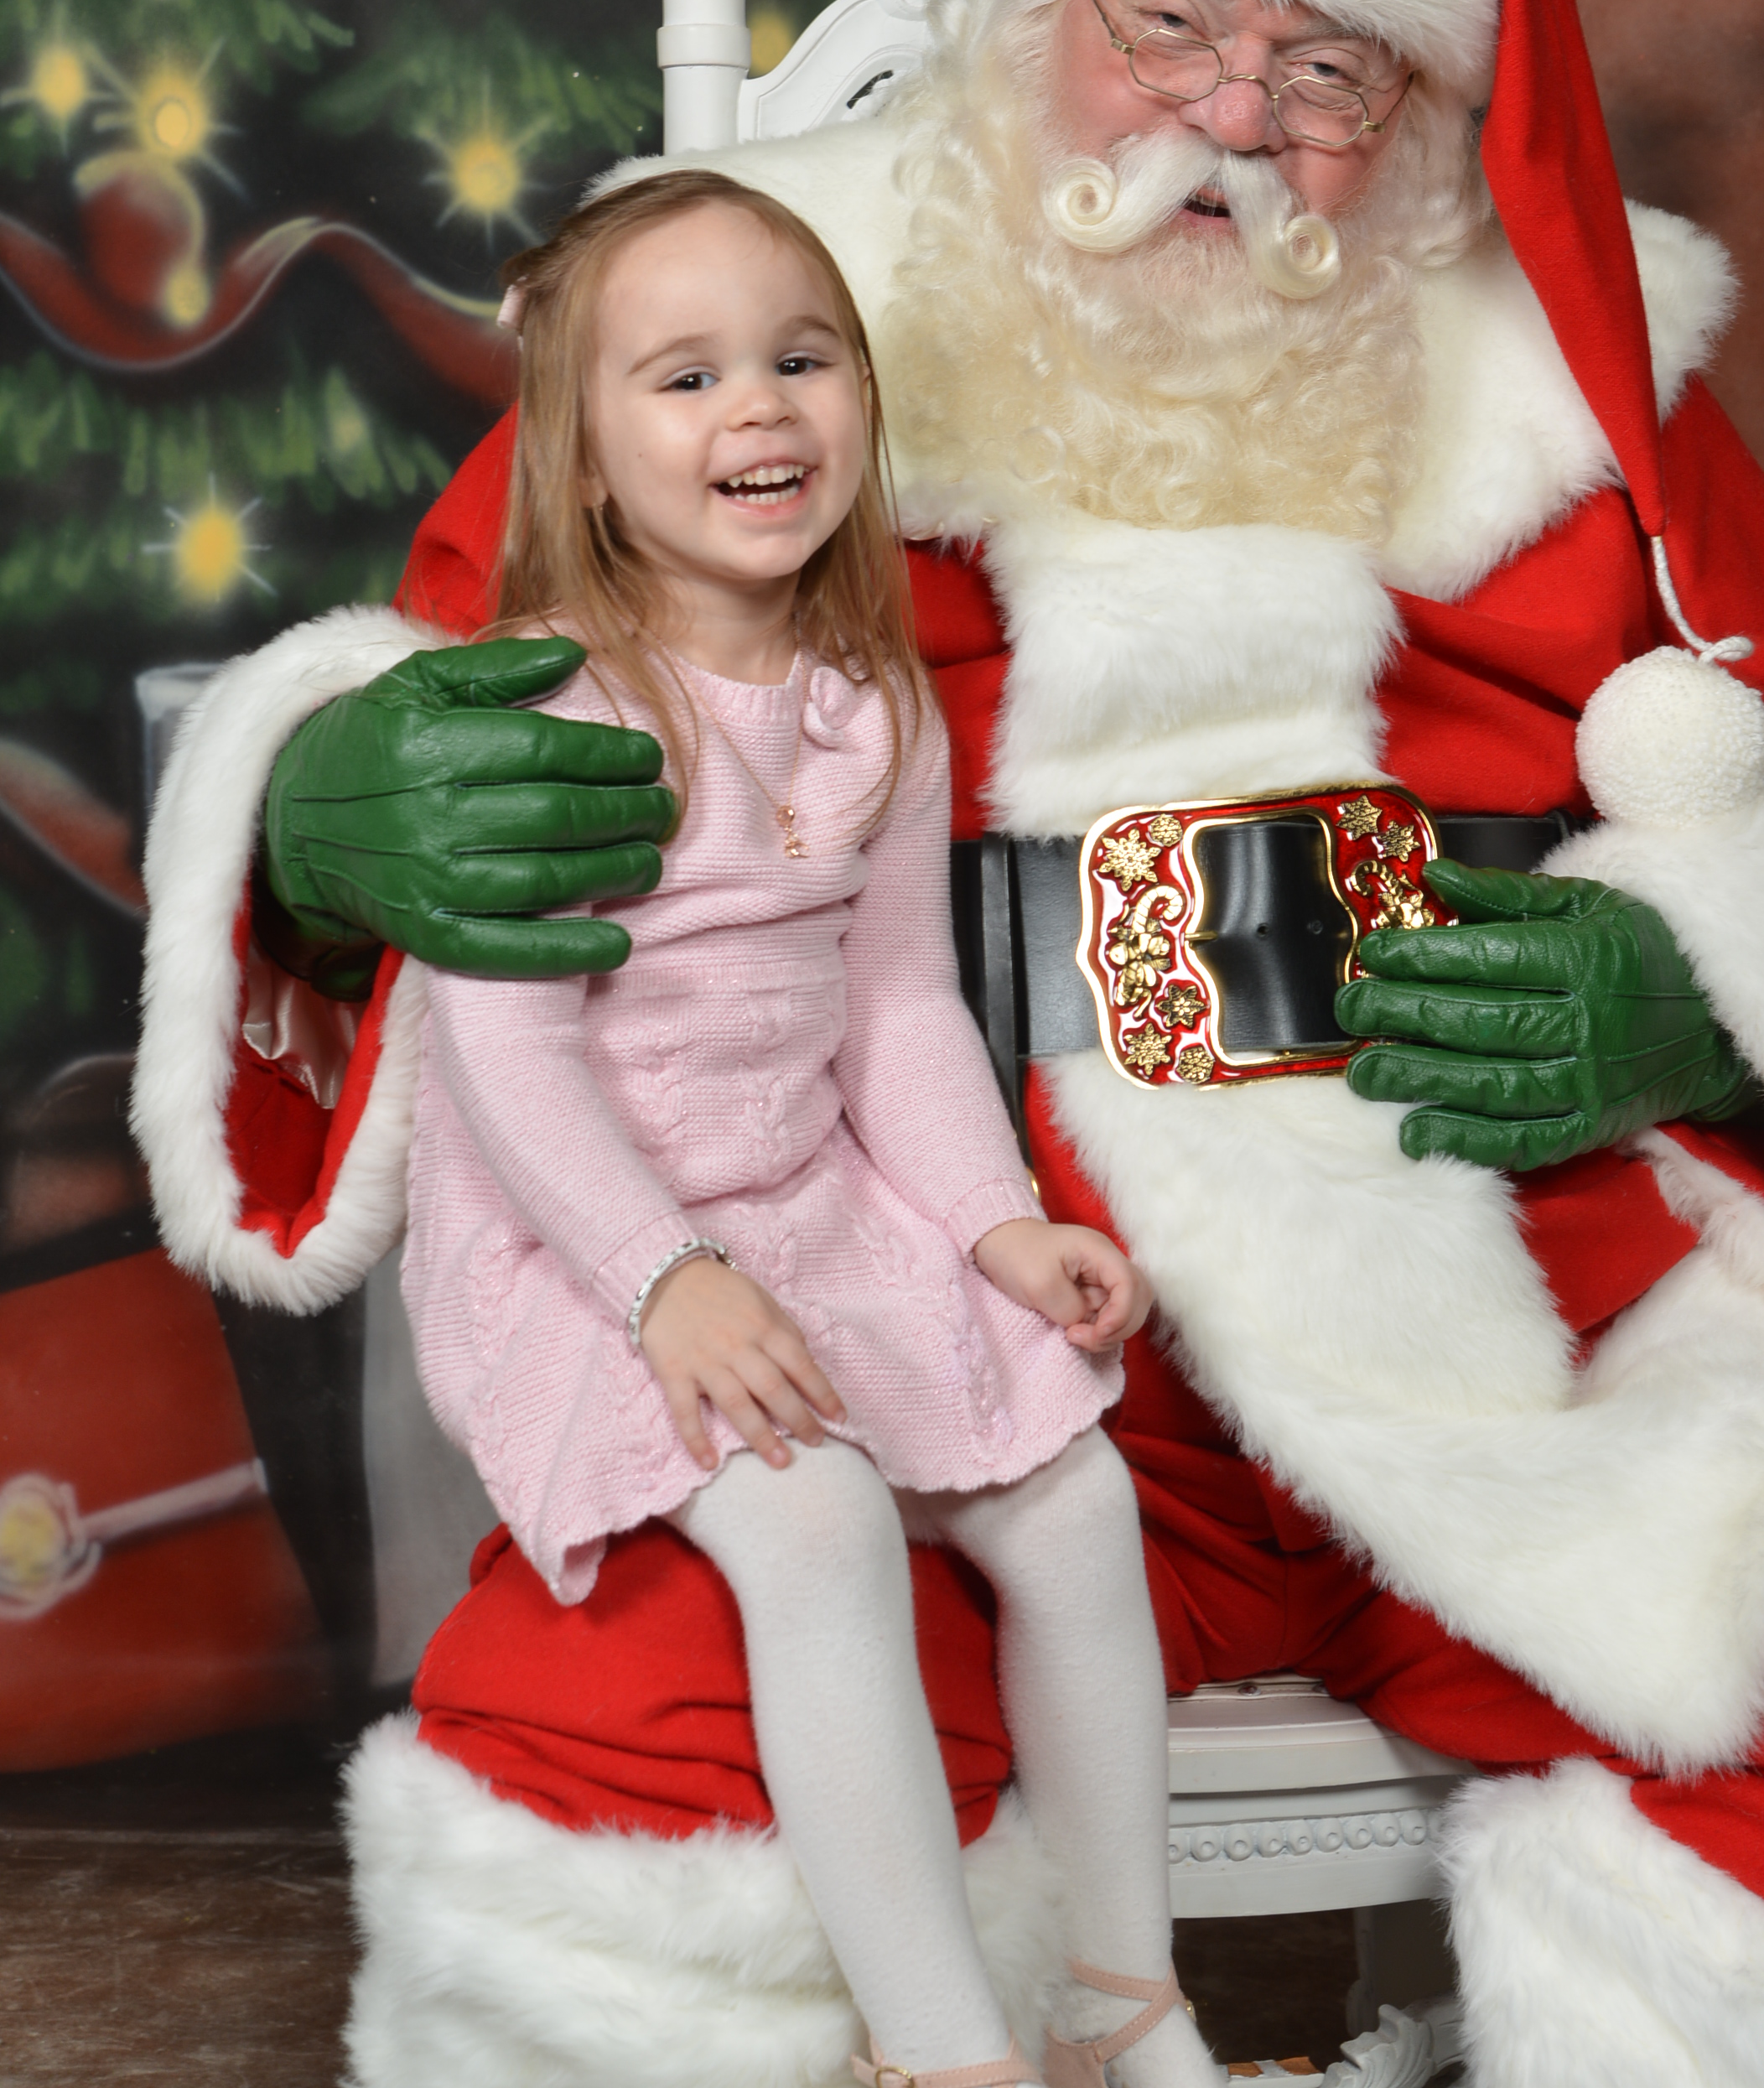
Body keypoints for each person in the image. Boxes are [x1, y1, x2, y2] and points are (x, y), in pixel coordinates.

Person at [135, 0, 1764, 2088]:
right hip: (930, 1286)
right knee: (639, 1780)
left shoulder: (1576, 404)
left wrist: (1701, 988)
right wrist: (322, 824)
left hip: (1537, 1327)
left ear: (1425, 123)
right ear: (1039, 2)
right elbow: (452, 684)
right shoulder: (764, 345)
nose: (1230, 121)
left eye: (1329, 72)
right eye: (1169, 26)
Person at [401, 164, 1211, 2088]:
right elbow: (504, 1056)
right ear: (584, 459)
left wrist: (996, 1224)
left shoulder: (872, 707)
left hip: (805, 1195)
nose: (757, 406)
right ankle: (941, 2054)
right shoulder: (552, 714)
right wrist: (663, 1278)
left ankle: (1118, 1999)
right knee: (818, 1516)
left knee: (1076, 1504)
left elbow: (899, 1005)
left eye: (800, 357)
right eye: (684, 377)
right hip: (579, 1238)